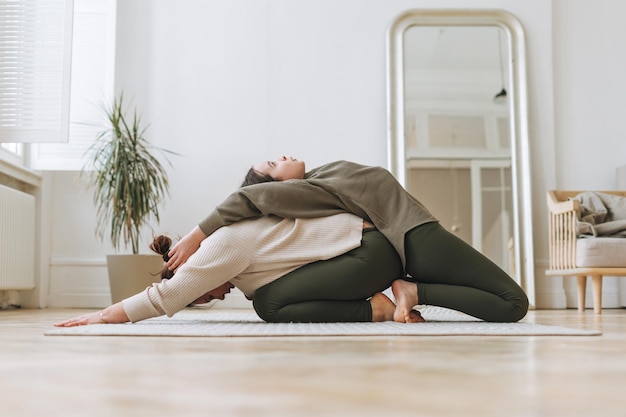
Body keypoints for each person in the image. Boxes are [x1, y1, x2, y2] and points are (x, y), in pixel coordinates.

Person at [167, 156, 529, 323]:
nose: (281, 157)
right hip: (415, 235)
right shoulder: (301, 192)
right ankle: (415, 292)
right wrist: (196, 237)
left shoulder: (320, 180)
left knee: (508, 302)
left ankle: (414, 291)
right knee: (514, 304)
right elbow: (245, 200)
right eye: (272, 167)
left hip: (411, 236)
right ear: (279, 188)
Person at [54, 212, 423, 327]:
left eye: (204, 295)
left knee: (269, 304)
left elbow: (161, 298)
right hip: (365, 254)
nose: (219, 294)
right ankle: (378, 304)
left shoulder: (216, 251)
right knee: (267, 301)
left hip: (370, 251)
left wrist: (102, 316)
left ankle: (376, 309)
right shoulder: (231, 261)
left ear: (196, 282)